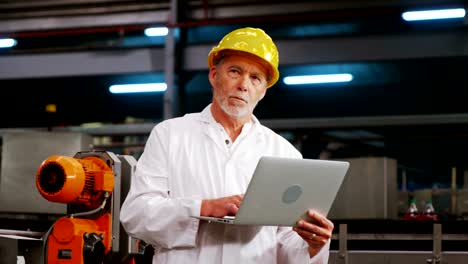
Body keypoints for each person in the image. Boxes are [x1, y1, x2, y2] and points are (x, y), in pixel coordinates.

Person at [120, 27, 334, 264]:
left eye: (255, 78)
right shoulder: (170, 135)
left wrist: (313, 246)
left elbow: (285, 243)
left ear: (263, 91)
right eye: (235, 71)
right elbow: (136, 215)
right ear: (213, 75)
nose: (244, 85)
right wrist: (203, 208)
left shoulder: (284, 153)